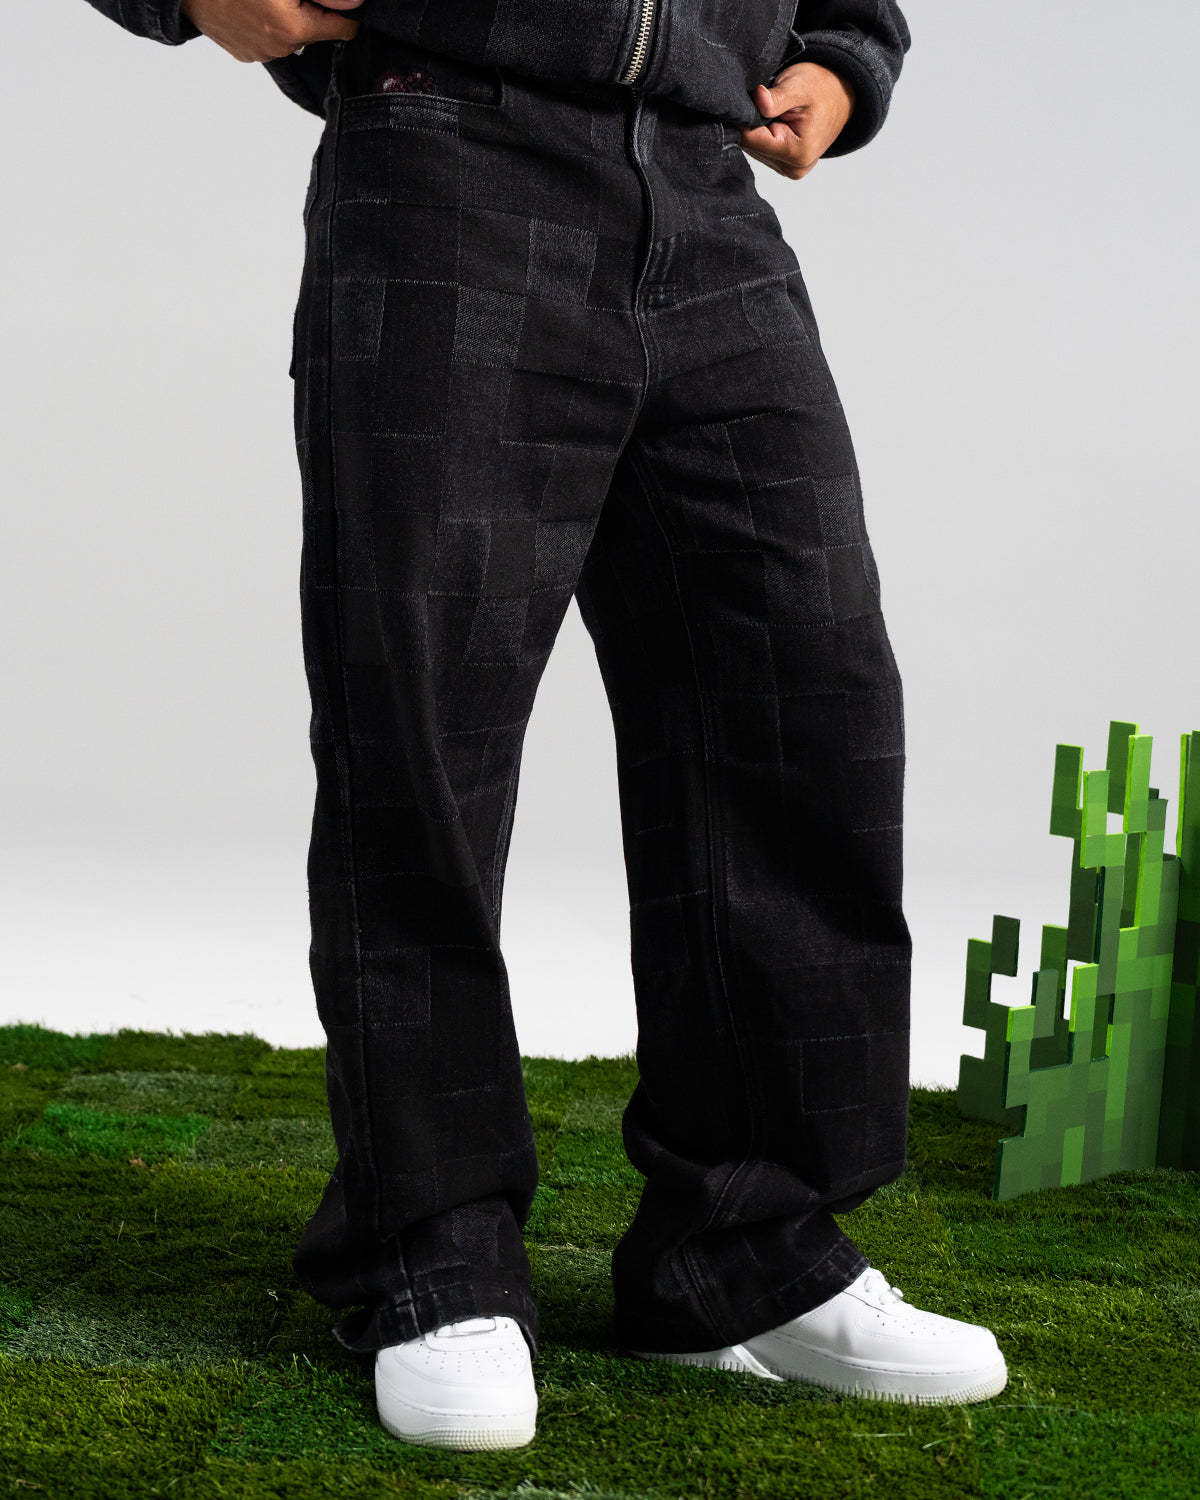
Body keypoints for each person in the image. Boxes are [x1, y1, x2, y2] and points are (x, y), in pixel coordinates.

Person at [85, 0, 1008, 1452]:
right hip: (450, 160)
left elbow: (850, 17)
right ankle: (431, 1256)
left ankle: (748, 1248)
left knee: (804, 700)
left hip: (707, 193)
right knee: (426, 744)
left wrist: (843, 55)